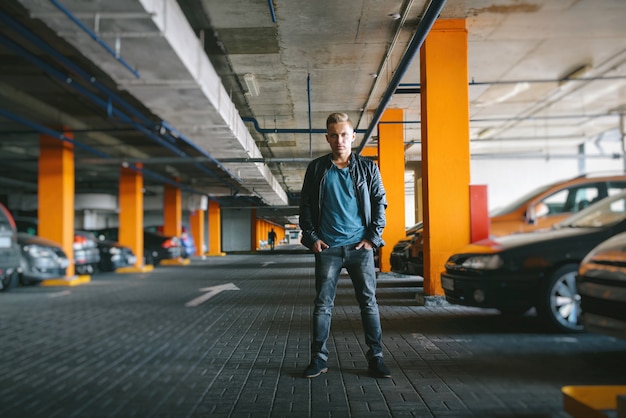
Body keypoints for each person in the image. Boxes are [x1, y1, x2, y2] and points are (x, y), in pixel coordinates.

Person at [299, 112, 390, 379]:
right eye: (334, 135)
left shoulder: (369, 168)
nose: (339, 140)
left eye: (344, 134)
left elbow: (380, 204)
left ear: (353, 137)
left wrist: (372, 238)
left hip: (360, 249)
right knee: (323, 305)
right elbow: (305, 206)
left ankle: (376, 358)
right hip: (328, 249)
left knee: (369, 304)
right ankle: (318, 359)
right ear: (327, 138)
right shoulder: (316, 169)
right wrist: (312, 237)